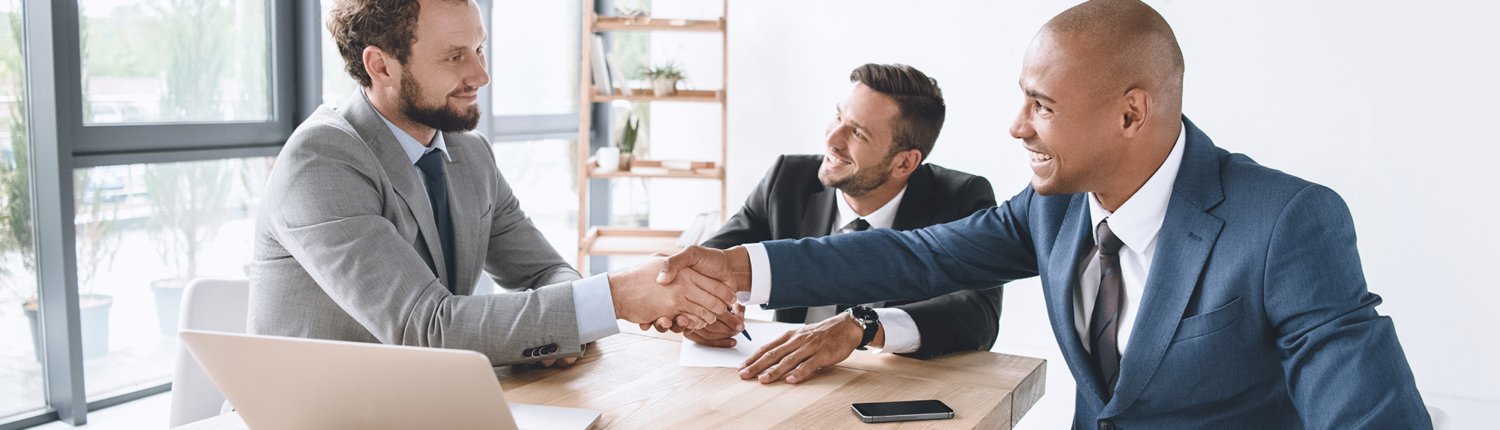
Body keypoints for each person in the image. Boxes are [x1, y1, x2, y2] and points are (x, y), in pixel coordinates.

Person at [656, 0, 1431, 428]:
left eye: (1042, 104)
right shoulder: (1052, 211)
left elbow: (1371, 419)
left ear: (1132, 114)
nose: (1016, 125)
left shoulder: (1288, 221)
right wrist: (743, 265)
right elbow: (914, 258)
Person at [249, 0, 733, 368]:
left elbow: (549, 273)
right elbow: (428, 329)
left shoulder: (469, 154)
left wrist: (569, 325)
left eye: (478, 49)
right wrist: (617, 296)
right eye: (454, 57)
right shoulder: (323, 160)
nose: (480, 74)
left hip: (421, 405)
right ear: (381, 66)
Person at [677, 64, 1003, 377]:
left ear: (905, 162)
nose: (832, 139)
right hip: (782, 381)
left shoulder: (961, 199)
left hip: (894, 388)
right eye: (838, 116)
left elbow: (978, 314)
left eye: (857, 132)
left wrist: (862, 326)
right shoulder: (787, 179)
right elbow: (704, 265)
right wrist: (702, 309)